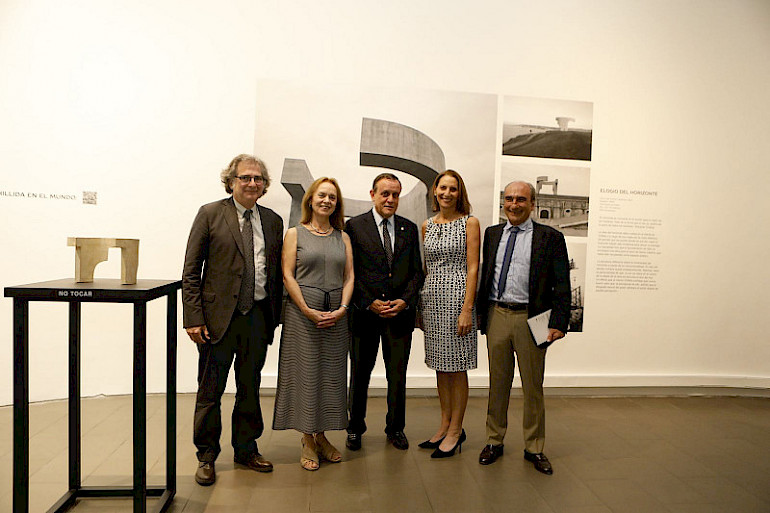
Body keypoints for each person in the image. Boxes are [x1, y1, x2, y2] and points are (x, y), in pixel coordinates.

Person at [182, 154, 283, 486]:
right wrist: (193, 317)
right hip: (217, 321)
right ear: (231, 181)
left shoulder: (272, 220)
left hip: (256, 318)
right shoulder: (210, 214)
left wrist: (275, 317)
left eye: (258, 179)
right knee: (210, 390)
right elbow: (191, 272)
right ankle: (207, 456)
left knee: (250, 388)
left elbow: (276, 273)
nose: (252, 183)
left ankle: (246, 448)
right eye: (245, 178)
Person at [476, 181, 570, 475]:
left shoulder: (550, 237)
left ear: (532, 203)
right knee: (497, 384)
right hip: (497, 315)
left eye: (520, 199)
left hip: (535, 319)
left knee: (533, 386)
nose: (513, 204)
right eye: (508, 199)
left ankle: (535, 447)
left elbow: (562, 283)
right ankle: (494, 440)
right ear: (503, 202)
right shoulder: (492, 234)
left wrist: (558, 323)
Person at [273, 177, 354, 471]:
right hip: (302, 315)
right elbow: (287, 275)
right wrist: (307, 309)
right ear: (310, 199)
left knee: (331, 376)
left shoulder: (342, 237)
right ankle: (307, 438)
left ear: (337, 203)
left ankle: (322, 435)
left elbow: (349, 277)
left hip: (335, 317)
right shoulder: (295, 233)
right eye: (322, 195)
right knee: (305, 375)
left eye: (332, 197)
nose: (326, 201)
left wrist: (343, 308)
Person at [345, 173, 424, 451]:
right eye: (385, 194)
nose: (390, 199)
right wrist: (368, 302)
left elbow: (417, 272)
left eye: (395, 195)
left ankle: (395, 428)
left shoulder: (409, 228)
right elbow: (349, 272)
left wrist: (404, 301)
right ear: (373, 194)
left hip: (399, 316)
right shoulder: (354, 227)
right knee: (360, 374)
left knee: (397, 375)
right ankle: (354, 428)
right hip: (365, 315)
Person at [418, 170, 480, 458]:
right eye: (442, 188)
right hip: (432, 299)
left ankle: (457, 429)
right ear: (435, 191)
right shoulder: (426, 225)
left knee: (458, 366)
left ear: (460, 193)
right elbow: (426, 268)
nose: (446, 193)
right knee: (441, 365)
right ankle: (444, 424)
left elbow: (472, 267)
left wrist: (467, 309)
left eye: (453, 189)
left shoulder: (470, 223)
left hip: (458, 299)